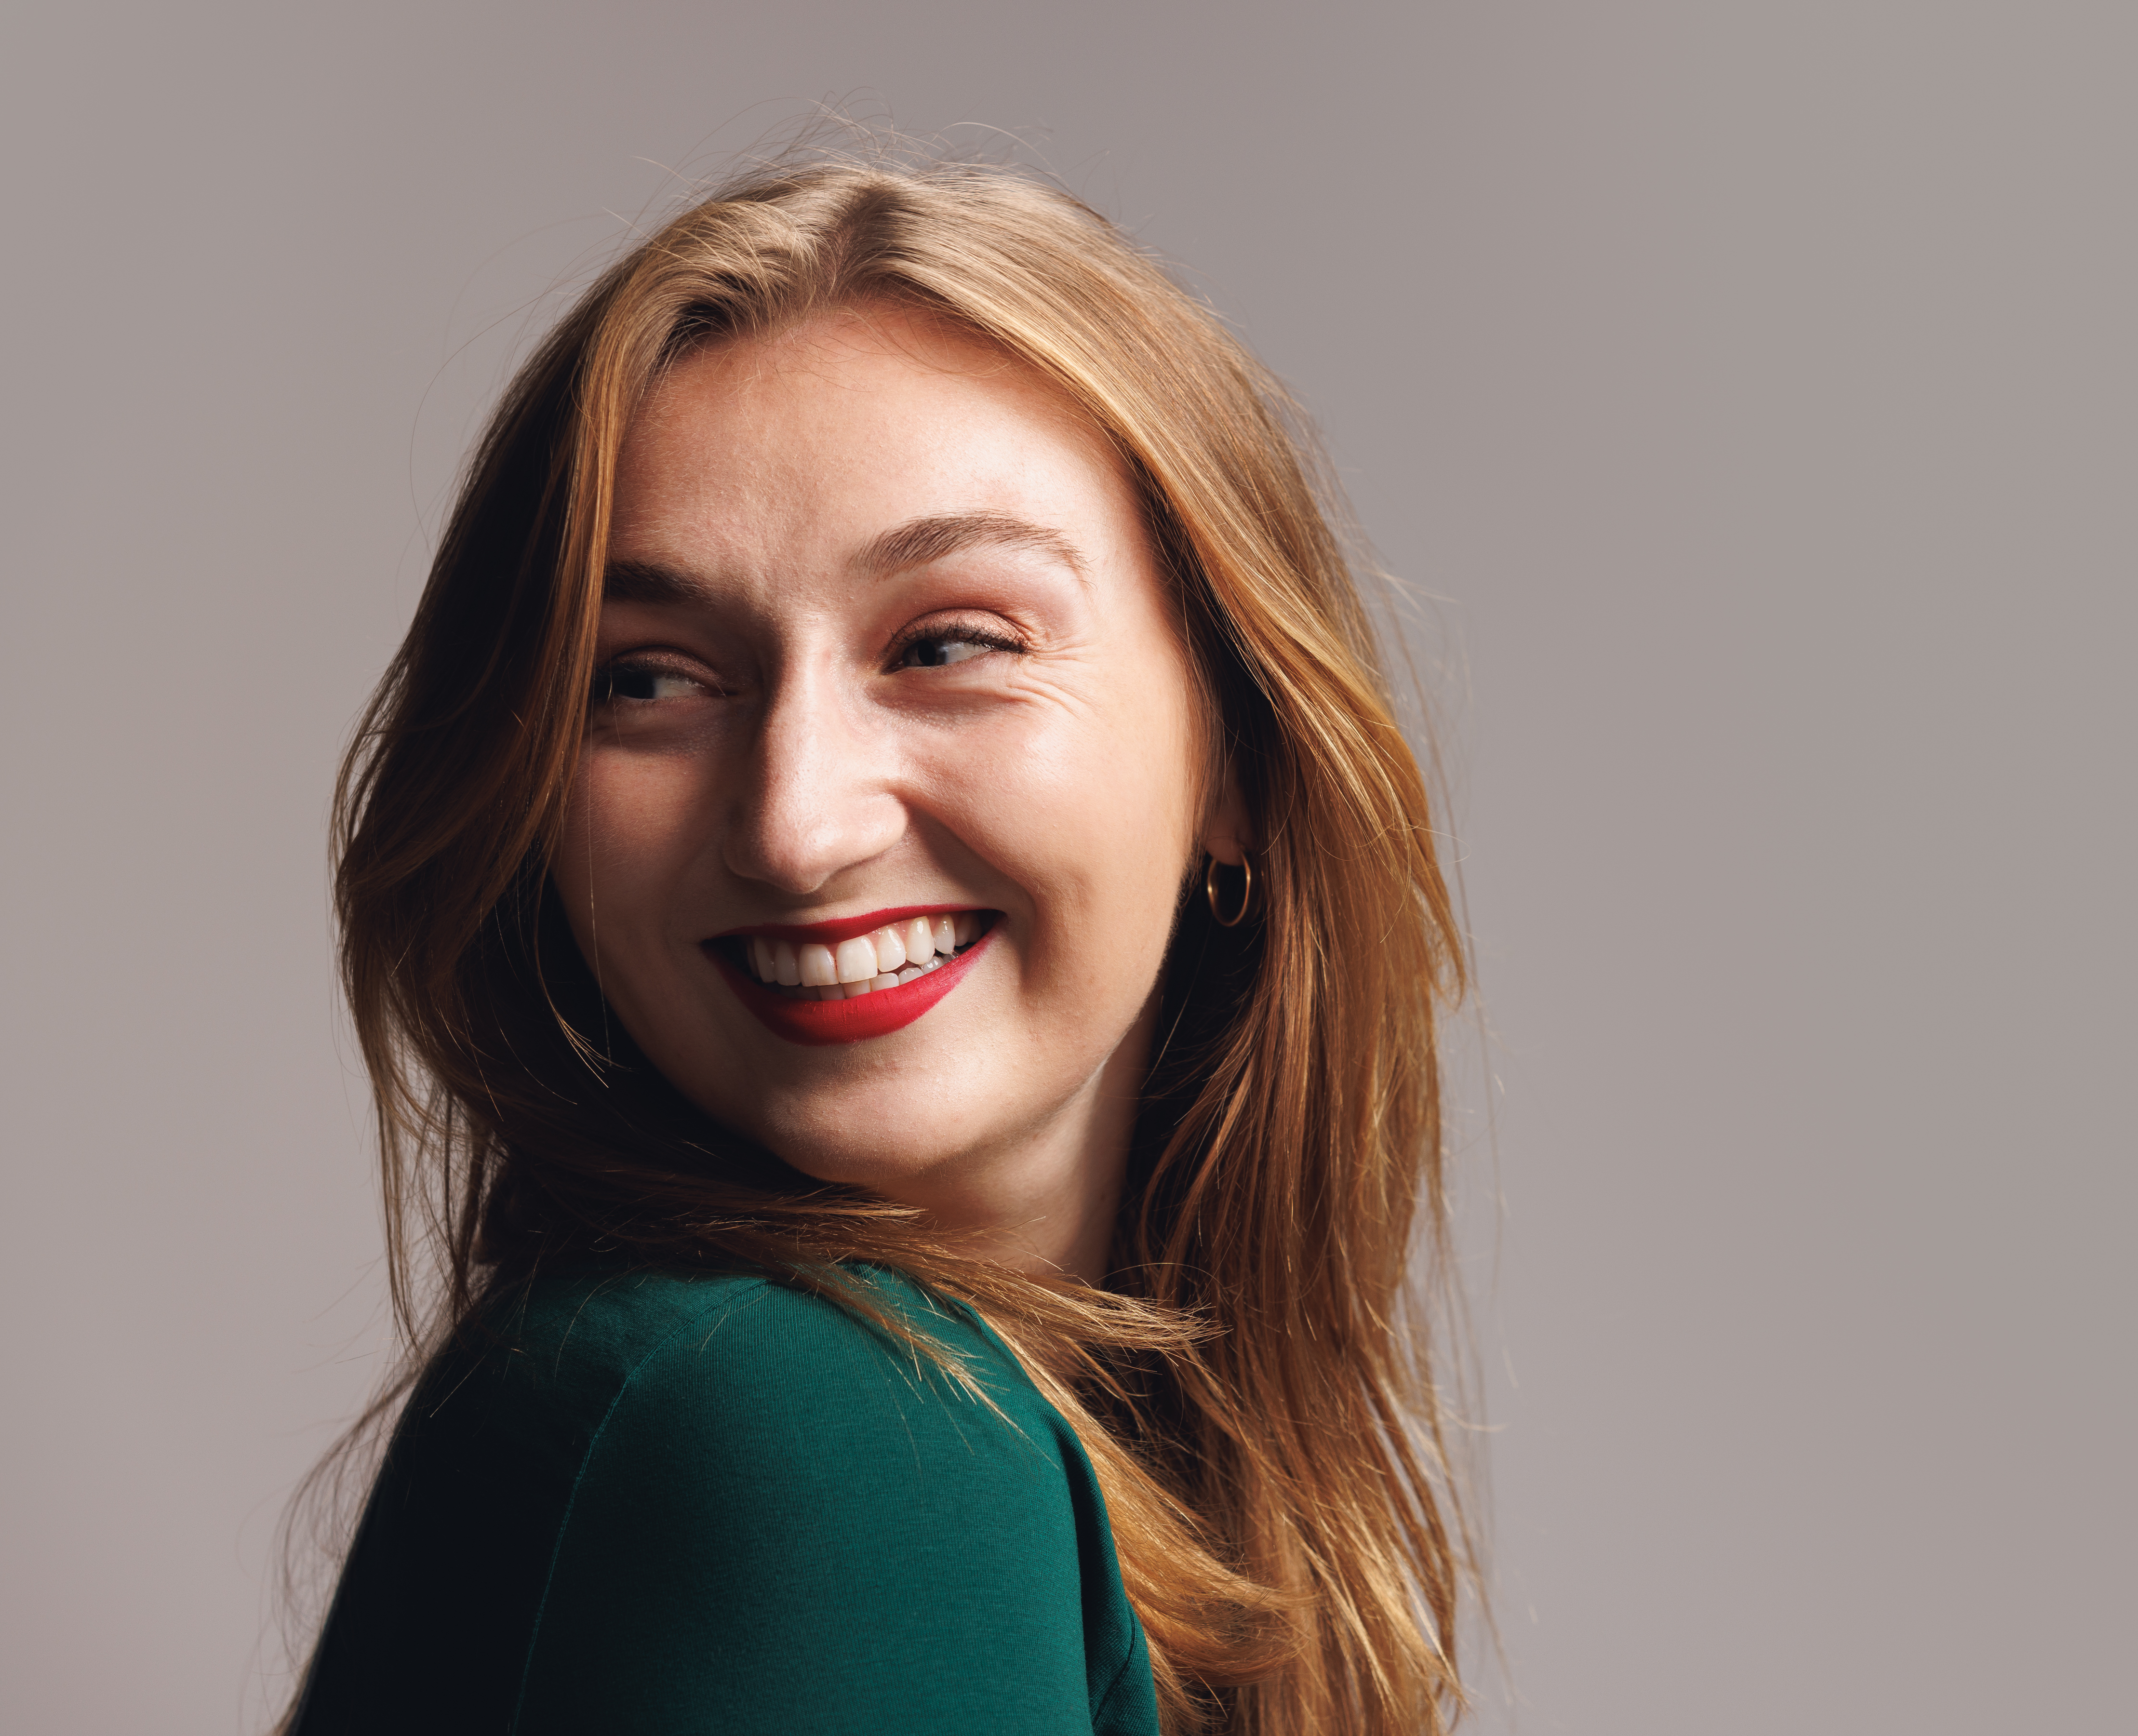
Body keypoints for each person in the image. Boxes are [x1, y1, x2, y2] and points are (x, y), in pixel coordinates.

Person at [287, 150, 1470, 1736]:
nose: (796, 824)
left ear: (1241, 757)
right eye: (647, 679)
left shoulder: (685, 1389)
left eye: (950, 645)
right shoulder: (825, 1427)